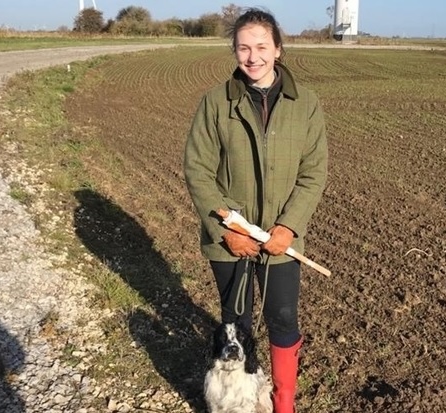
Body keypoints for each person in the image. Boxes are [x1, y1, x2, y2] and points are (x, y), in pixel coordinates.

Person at [183, 8, 328, 413]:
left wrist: (289, 227)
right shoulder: (215, 103)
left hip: (282, 241)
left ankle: (283, 405)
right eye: (244, 48)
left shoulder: (307, 104)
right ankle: (237, 404)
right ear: (234, 51)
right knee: (237, 321)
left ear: (278, 49)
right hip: (231, 239)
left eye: (262, 46)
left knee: (282, 318)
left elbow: (313, 173)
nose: (253, 56)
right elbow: (197, 169)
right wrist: (225, 229)